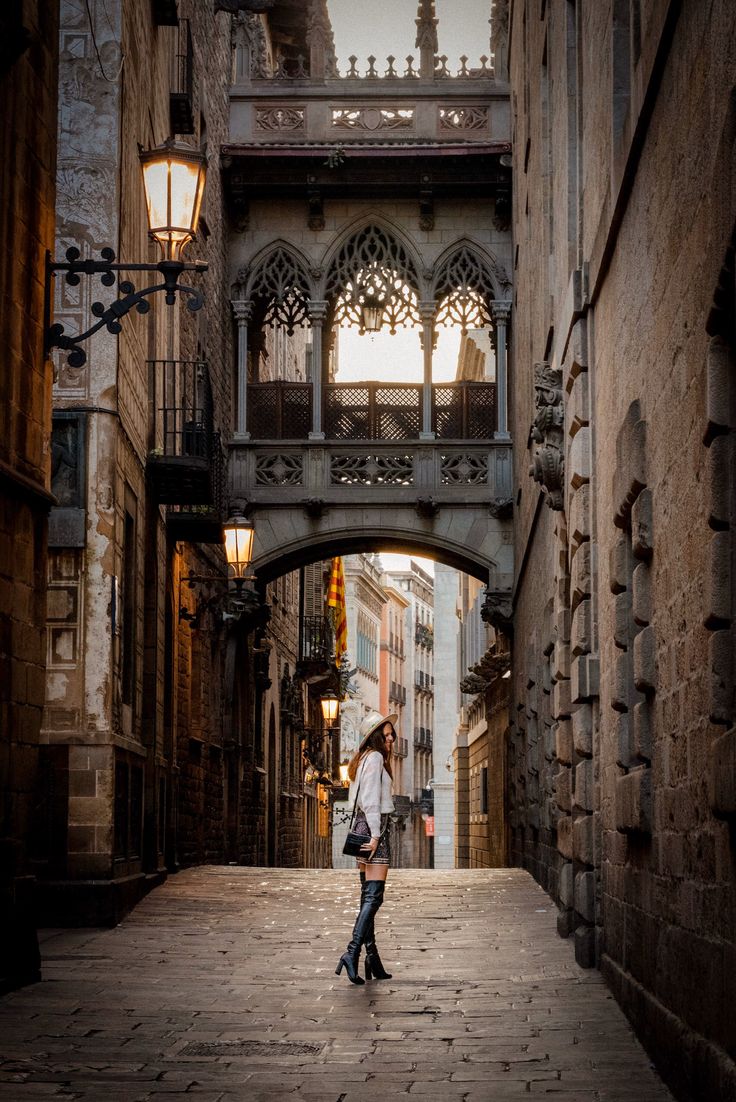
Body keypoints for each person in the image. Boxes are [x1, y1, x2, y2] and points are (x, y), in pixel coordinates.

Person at [335, 710, 397, 985]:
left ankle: (371, 957)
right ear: (375, 738)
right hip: (373, 828)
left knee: (367, 897)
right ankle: (351, 952)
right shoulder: (373, 759)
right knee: (374, 897)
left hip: (364, 826)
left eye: (392, 735)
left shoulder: (366, 759)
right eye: (386, 735)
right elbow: (370, 799)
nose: (391, 739)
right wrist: (375, 836)